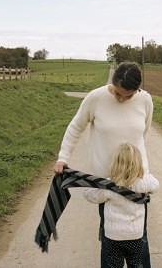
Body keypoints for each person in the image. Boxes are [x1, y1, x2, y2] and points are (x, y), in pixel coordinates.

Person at [53, 61, 154, 266]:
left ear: (137, 90)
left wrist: (135, 167)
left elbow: (144, 133)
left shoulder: (145, 100)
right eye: (118, 93)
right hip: (105, 182)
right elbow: (75, 127)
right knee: (110, 237)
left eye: (128, 95)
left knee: (140, 237)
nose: (121, 99)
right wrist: (63, 158)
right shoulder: (96, 98)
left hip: (136, 179)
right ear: (113, 82)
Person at [83, 143, 159, 268]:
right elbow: (156, 185)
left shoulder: (109, 186)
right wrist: (146, 175)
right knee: (135, 263)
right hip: (135, 235)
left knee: (114, 265)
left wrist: (97, 183)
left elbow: (89, 195)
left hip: (113, 237)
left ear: (115, 163)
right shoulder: (142, 183)